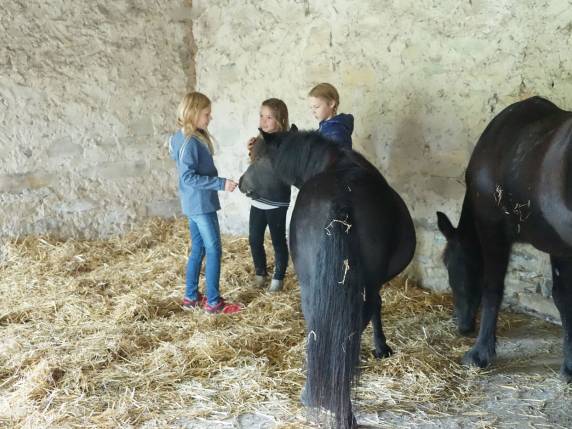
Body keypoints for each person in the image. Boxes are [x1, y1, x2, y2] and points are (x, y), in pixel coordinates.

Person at [168, 91, 242, 314]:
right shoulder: (191, 142)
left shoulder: (179, 137)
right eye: (207, 114)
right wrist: (221, 183)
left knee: (198, 248)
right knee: (214, 249)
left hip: (192, 203)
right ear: (193, 113)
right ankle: (214, 303)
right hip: (201, 204)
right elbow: (188, 177)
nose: (210, 118)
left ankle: (191, 297)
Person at [245, 98, 291, 292]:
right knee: (254, 238)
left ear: (280, 120)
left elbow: (281, 170)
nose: (263, 121)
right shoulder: (260, 140)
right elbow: (257, 168)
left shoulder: (286, 142)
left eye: (269, 117)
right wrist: (252, 151)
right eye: (261, 116)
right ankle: (260, 273)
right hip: (258, 199)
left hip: (276, 201)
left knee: (278, 240)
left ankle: (278, 278)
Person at [308, 82, 354, 149]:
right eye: (311, 107)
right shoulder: (324, 127)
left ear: (331, 104)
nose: (313, 111)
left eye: (316, 107)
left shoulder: (336, 133)